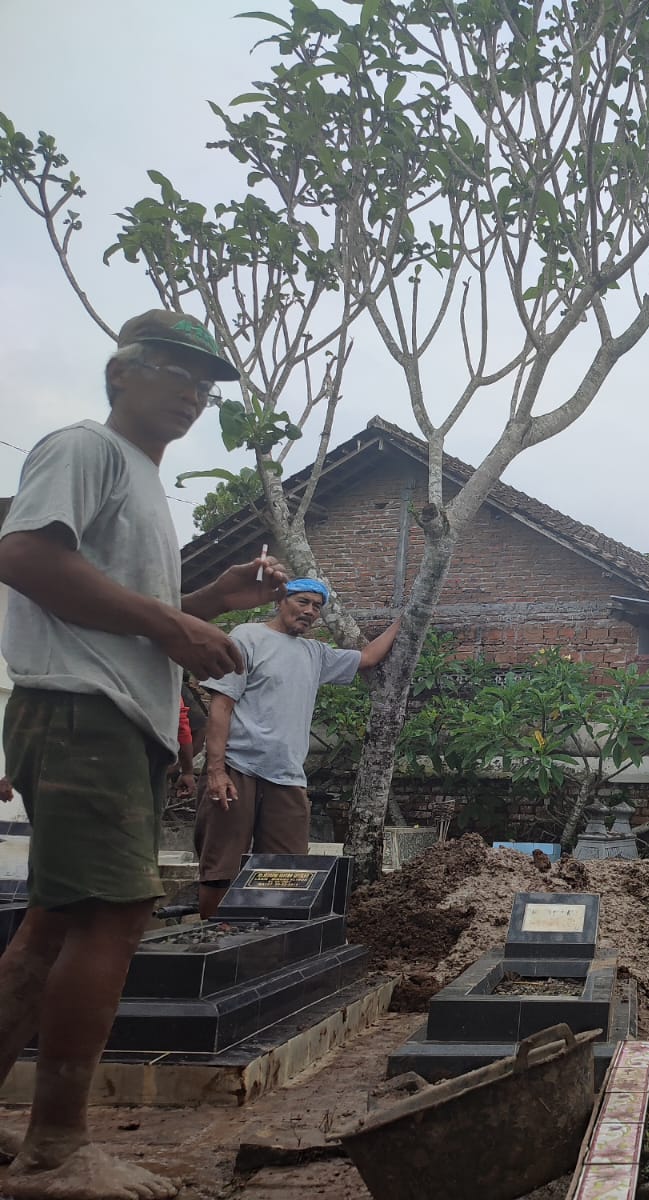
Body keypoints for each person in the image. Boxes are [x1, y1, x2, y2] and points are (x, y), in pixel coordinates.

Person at [0, 309, 288, 1200]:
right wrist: (172, 621)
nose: (193, 394)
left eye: (204, 383)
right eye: (174, 371)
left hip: (104, 717)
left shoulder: (139, 482)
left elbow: (110, 610)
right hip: (82, 715)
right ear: (122, 372)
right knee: (113, 919)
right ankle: (55, 1150)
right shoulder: (84, 448)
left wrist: (205, 597)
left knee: (52, 926)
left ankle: (41, 1136)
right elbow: (20, 556)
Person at [195, 579, 398, 917]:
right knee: (222, 868)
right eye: (302, 602)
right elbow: (221, 706)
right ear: (281, 600)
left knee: (285, 872)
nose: (309, 611)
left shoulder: (313, 653)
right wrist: (216, 770)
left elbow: (367, 657)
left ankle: (267, 948)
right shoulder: (247, 637)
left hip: (287, 776)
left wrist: (407, 617)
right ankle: (212, 943)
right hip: (237, 767)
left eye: (316, 607)